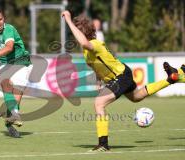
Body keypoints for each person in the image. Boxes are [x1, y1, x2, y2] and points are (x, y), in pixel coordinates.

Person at [62, 10, 182, 151]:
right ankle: (171, 79)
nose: (75, 38)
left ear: (82, 33)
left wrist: (69, 20)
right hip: (122, 74)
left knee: (99, 104)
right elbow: (97, 64)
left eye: (76, 33)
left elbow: (83, 42)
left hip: (121, 76)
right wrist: (98, 80)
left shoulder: (94, 44)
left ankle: (103, 144)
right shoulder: (87, 50)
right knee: (136, 97)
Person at [0, 8, 32, 138]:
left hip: (22, 63)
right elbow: (3, 50)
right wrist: (1, 65)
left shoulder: (8, 29)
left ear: (3, 18)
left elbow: (9, 47)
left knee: (15, 101)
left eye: (0, 19)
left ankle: (9, 123)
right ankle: (14, 115)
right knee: (3, 80)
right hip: (7, 63)